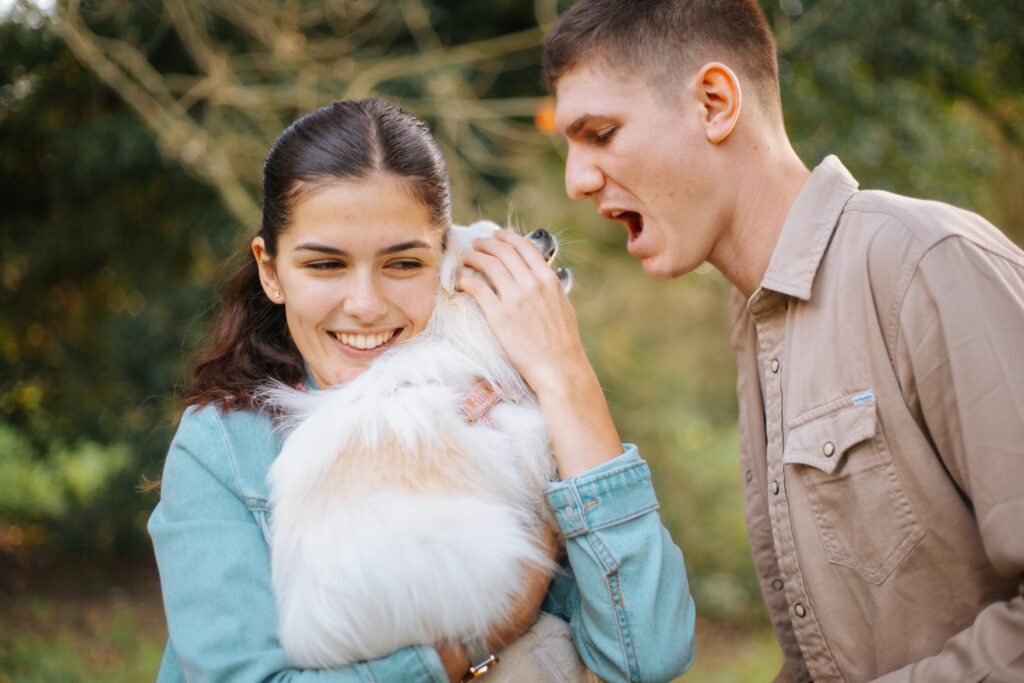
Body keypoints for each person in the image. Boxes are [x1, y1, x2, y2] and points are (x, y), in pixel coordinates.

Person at [525, 0, 1024, 680]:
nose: (575, 180)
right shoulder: (756, 318)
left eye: (602, 134)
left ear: (714, 102)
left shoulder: (923, 263)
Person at [148, 97, 696, 683]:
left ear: (446, 257)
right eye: (325, 265)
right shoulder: (226, 445)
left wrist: (564, 374)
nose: (364, 305)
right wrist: (469, 645)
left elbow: (647, 655)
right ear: (271, 270)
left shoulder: (512, 404)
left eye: (403, 264)